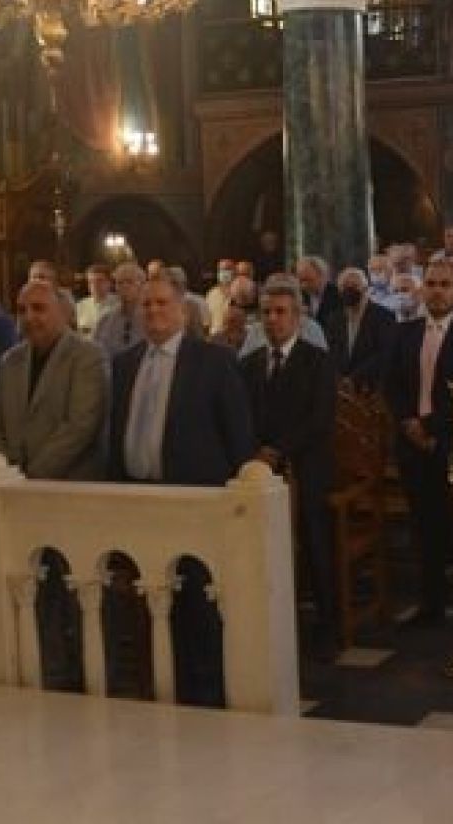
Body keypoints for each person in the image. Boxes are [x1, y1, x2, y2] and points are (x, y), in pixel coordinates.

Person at [382, 258, 453, 621]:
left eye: (445, 285)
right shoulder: (404, 333)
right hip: (412, 443)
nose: (437, 291)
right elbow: (392, 384)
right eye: (430, 284)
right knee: (423, 525)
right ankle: (432, 604)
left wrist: (430, 429)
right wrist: (408, 423)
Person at [240, 277, 338, 651]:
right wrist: (257, 451)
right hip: (259, 466)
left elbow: (319, 418)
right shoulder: (248, 364)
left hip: (305, 463)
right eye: (266, 312)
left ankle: (327, 626)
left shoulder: (318, 361)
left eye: (280, 312)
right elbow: (240, 415)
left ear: (298, 317)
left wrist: (279, 450)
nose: (272, 319)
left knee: (315, 537)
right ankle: (265, 621)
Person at [109, 276, 255, 486]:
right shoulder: (123, 364)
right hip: (131, 490)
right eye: (146, 304)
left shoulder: (216, 361)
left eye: (162, 302)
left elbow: (238, 433)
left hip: (195, 492)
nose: (153, 310)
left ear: (182, 310)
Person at [0, 280, 110, 481]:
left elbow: (80, 427)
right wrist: (3, 469)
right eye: (22, 310)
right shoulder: (9, 360)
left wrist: (31, 475)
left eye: (38, 308)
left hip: (69, 482)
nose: (28, 317)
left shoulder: (88, 356)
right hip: (9, 482)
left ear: (63, 313)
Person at [326, 266, 396, 389]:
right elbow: (330, 350)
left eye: (354, 286)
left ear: (365, 288)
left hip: (370, 386)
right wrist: (339, 378)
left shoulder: (384, 316)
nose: (349, 290)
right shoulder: (335, 318)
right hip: (340, 387)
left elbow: (384, 353)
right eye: (345, 286)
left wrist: (354, 378)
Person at [93, 262, 146, 357]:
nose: (124, 286)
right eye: (120, 283)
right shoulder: (105, 320)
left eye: (129, 282)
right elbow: (94, 351)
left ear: (142, 285)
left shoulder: (152, 317)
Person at [77, 264, 116, 337]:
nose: (95, 285)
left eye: (100, 281)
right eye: (91, 282)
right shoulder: (81, 306)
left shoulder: (119, 305)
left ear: (109, 283)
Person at [205, 258, 239, 337]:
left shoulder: (239, 293)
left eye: (227, 269)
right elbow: (207, 321)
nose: (224, 273)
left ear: (234, 272)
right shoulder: (211, 294)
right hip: (215, 337)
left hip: (233, 337)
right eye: (221, 270)